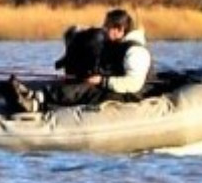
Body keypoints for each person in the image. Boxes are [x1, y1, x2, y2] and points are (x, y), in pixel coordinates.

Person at [9, 8, 154, 113]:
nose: (103, 29)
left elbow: (133, 84)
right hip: (115, 87)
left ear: (120, 30)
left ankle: (37, 102)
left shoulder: (136, 52)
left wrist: (102, 81)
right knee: (82, 85)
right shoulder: (116, 46)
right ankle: (34, 96)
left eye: (107, 26)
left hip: (130, 94)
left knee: (87, 90)